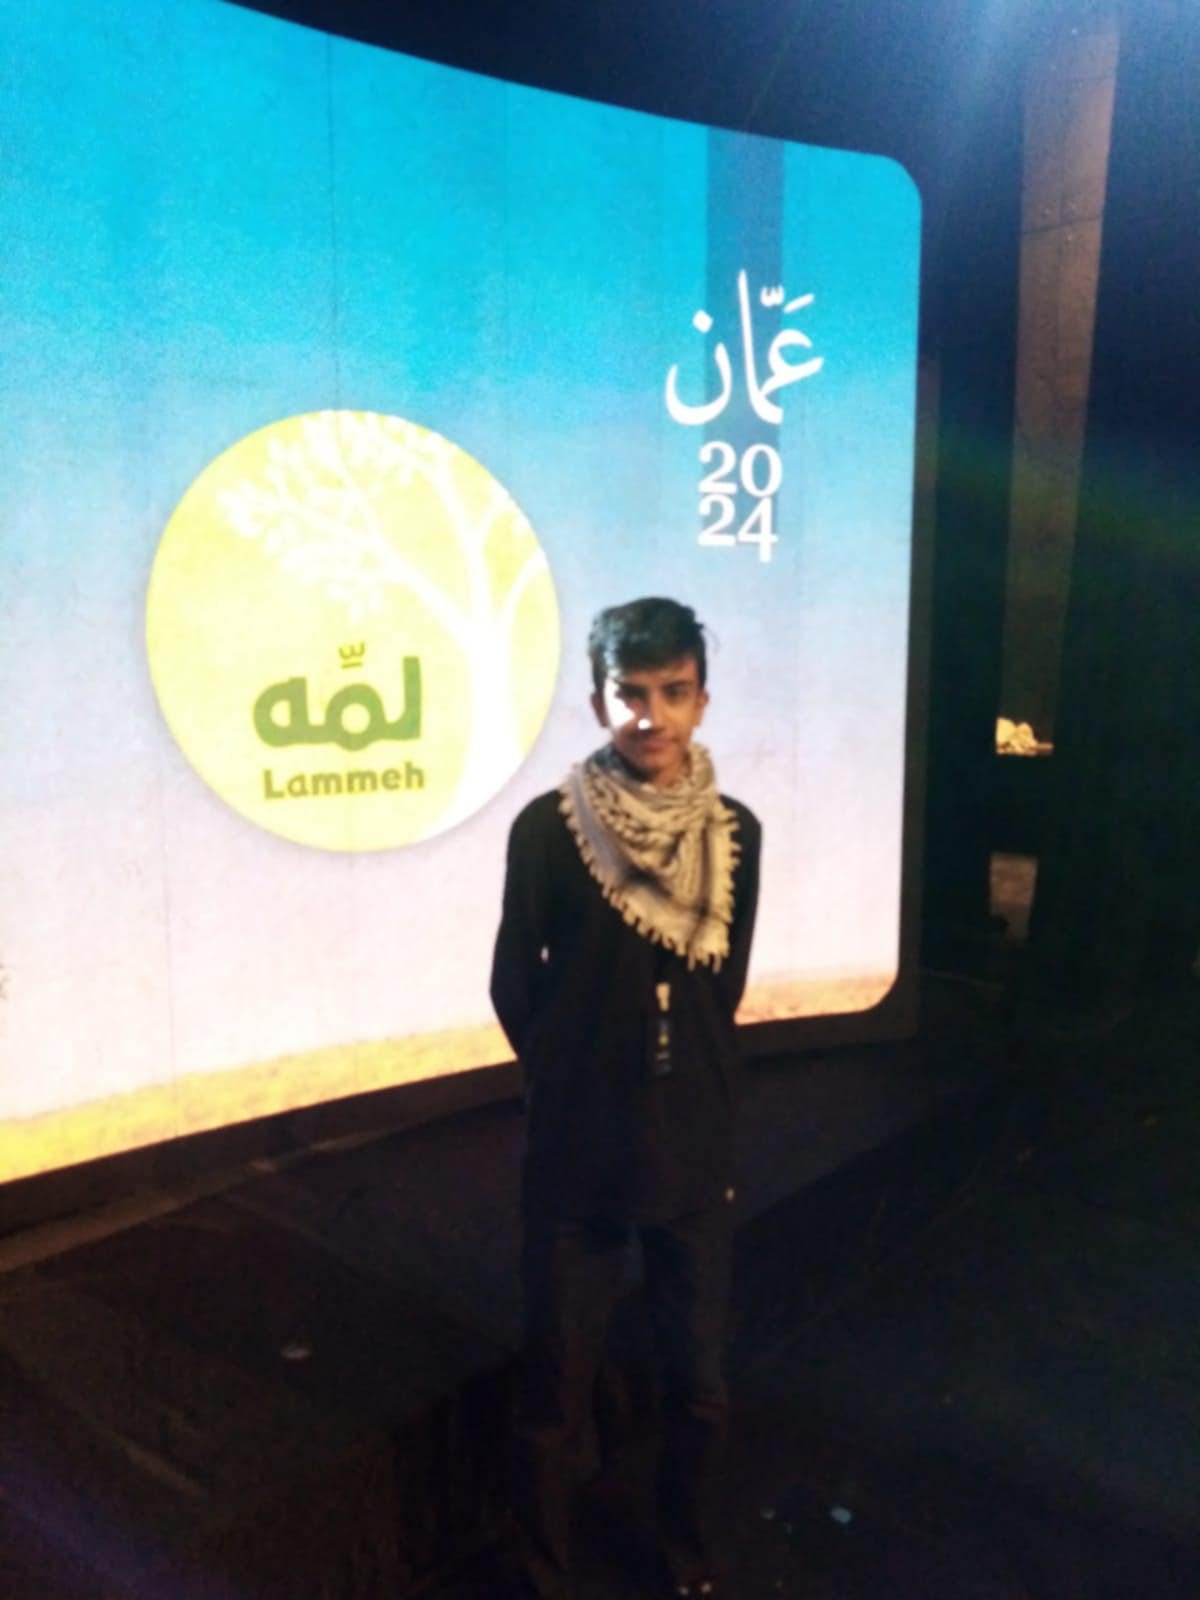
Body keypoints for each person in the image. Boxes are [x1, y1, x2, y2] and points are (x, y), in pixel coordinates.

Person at [491, 597, 761, 1600]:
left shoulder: (736, 833)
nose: (653, 716)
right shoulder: (550, 829)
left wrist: (689, 1076)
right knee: (553, 1397)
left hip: (691, 1149)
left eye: (673, 692)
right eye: (631, 694)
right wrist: (571, 1079)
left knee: (700, 1387)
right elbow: (514, 982)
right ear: (599, 702)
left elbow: (724, 983)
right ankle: (543, 1577)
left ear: (702, 699)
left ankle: (687, 1560)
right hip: (579, 1156)